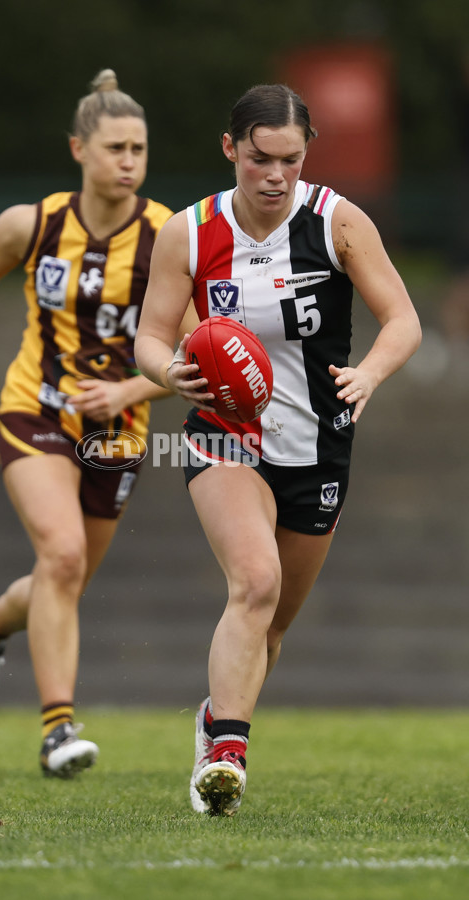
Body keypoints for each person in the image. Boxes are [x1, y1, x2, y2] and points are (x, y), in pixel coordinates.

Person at [134, 82, 422, 816]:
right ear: (231, 149)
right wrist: (169, 373)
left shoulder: (337, 223)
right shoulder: (190, 232)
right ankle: (227, 753)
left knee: (275, 625)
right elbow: (150, 336)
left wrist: (370, 373)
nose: (276, 176)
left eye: (291, 160)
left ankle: (213, 718)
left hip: (320, 445)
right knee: (254, 584)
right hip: (227, 435)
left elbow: (403, 321)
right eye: (260, 159)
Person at [0, 69, 178, 778]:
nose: (130, 162)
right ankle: (58, 731)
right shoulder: (33, 224)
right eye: (115, 147)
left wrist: (130, 389)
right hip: (34, 410)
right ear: (78, 149)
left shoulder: (168, 236)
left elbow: (189, 356)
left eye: (139, 148)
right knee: (63, 555)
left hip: (118, 429)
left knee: (61, 579)